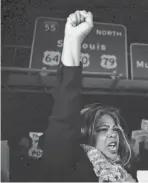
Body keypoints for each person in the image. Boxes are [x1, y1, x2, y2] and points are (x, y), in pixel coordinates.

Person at [42, 10, 135, 182]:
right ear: (85, 134)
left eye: (114, 129)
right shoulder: (74, 168)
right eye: (102, 129)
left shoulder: (123, 174)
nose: (113, 134)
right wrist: (73, 39)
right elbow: (65, 112)